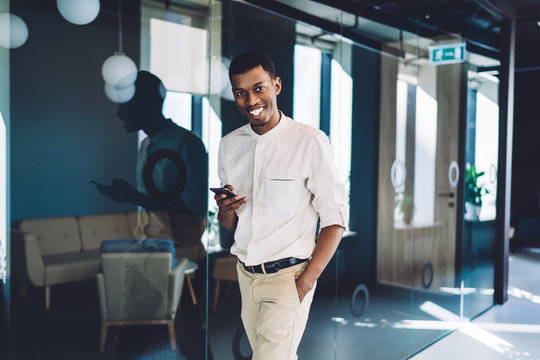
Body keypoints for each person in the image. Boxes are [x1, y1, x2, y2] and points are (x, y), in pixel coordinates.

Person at [215, 51, 348, 360]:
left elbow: (335, 220)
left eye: (258, 88)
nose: (251, 100)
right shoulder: (229, 145)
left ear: (276, 85)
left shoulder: (310, 141)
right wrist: (225, 210)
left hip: (288, 278)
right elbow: (231, 226)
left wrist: (304, 283)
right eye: (240, 93)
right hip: (246, 276)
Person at [93, 70, 208, 261]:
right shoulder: (146, 144)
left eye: (124, 106)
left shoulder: (187, 144)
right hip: (148, 244)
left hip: (179, 252)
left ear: (146, 104)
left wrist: (133, 196)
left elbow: (194, 210)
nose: (119, 114)